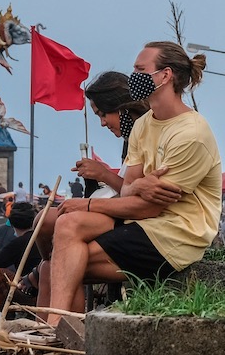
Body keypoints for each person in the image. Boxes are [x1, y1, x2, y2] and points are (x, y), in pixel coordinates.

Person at [47, 42, 222, 327]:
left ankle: (59, 330)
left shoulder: (192, 134)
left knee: (65, 263)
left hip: (175, 235)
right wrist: (138, 187)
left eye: (140, 70)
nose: (133, 76)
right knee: (67, 226)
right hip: (143, 223)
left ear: (165, 76)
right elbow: (129, 189)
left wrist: (89, 202)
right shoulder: (144, 125)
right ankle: (56, 328)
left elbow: (148, 209)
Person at [25, 71, 150, 312]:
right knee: (44, 230)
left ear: (120, 107)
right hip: (114, 210)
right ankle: (46, 275)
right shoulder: (132, 136)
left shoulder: (144, 134)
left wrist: (103, 175)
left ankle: (54, 316)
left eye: (103, 114)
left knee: (49, 223)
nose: (103, 123)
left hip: (126, 216)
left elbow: (132, 192)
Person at [0, 202, 41, 312]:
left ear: (12, 223)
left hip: (30, 291)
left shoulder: (19, 243)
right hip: (44, 288)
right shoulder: (41, 238)